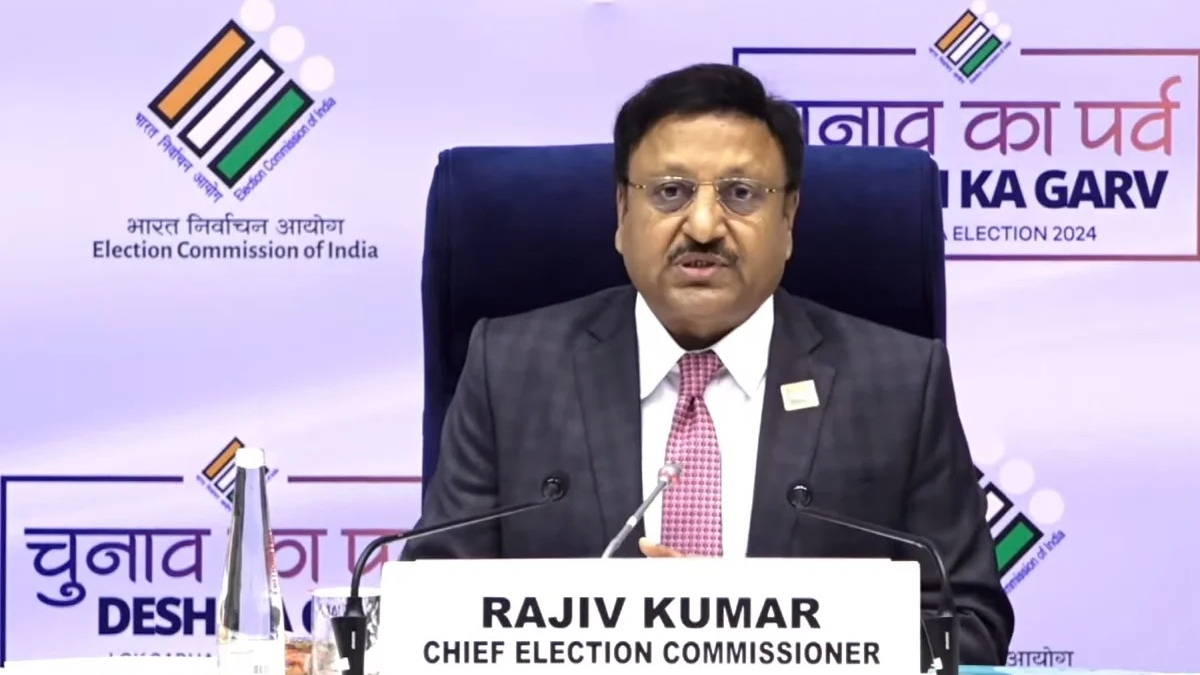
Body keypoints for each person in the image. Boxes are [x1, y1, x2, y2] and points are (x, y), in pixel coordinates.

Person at [401, 63, 1014, 665]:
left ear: (789, 219)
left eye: (741, 194)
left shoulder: (898, 385)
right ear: (621, 214)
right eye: (670, 192)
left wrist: (741, 634)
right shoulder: (511, 370)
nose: (702, 226)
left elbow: (969, 629)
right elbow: (430, 618)